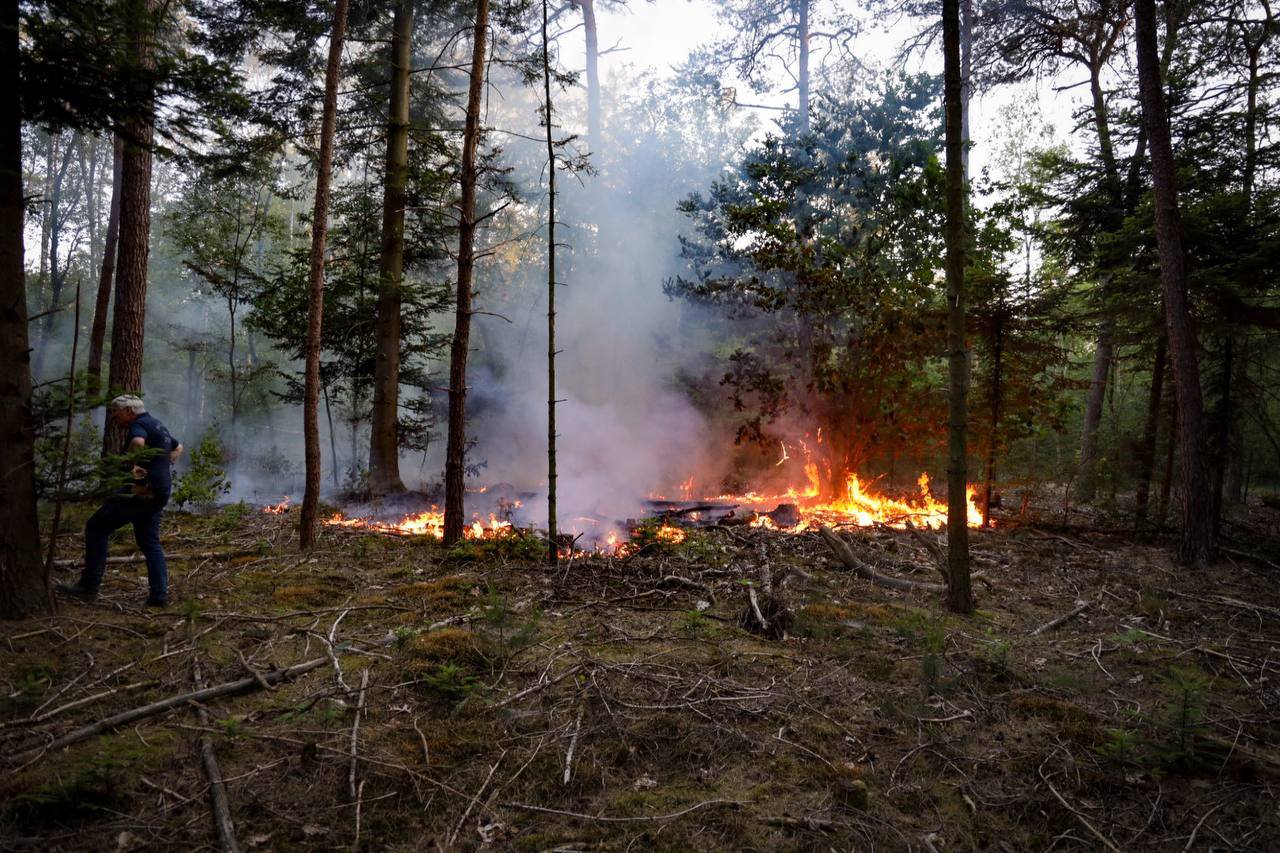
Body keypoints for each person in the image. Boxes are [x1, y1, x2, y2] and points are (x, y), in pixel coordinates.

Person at [58, 395, 183, 607]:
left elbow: (137, 442)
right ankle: (159, 596)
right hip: (159, 491)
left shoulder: (139, 425)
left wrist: (133, 464)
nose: (114, 418)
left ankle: (89, 587)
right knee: (149, 541)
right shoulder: (158, 425)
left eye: (116, 413)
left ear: (129, 411)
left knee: (96, 527)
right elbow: (178, 447)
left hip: (140, 492)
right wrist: (163, 465)